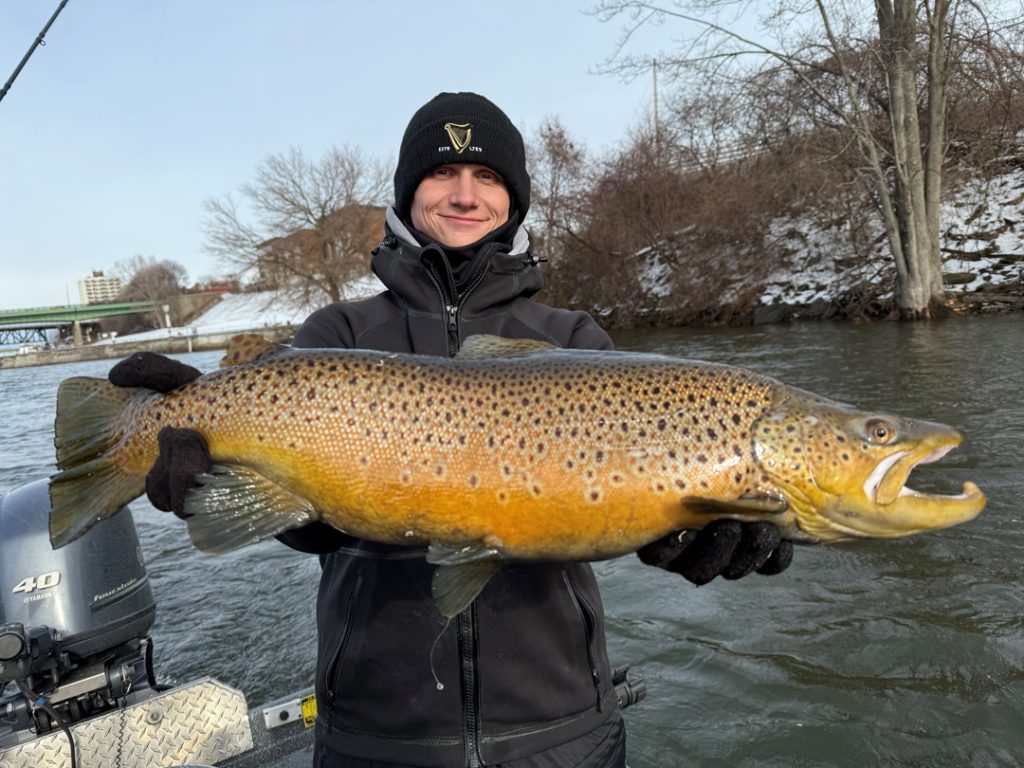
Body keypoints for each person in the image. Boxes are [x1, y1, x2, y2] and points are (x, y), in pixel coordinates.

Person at [109, 92, 793, 768]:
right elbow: (310, 525)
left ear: (514, 200)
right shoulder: (337, 335)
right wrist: (212, 477)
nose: (465, 194)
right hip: (376, 734)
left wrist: (682, 532)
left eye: (488, 177)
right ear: (408, 194)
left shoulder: (575, 340)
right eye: (442, 173)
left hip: (561, 730)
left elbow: (622, 496)